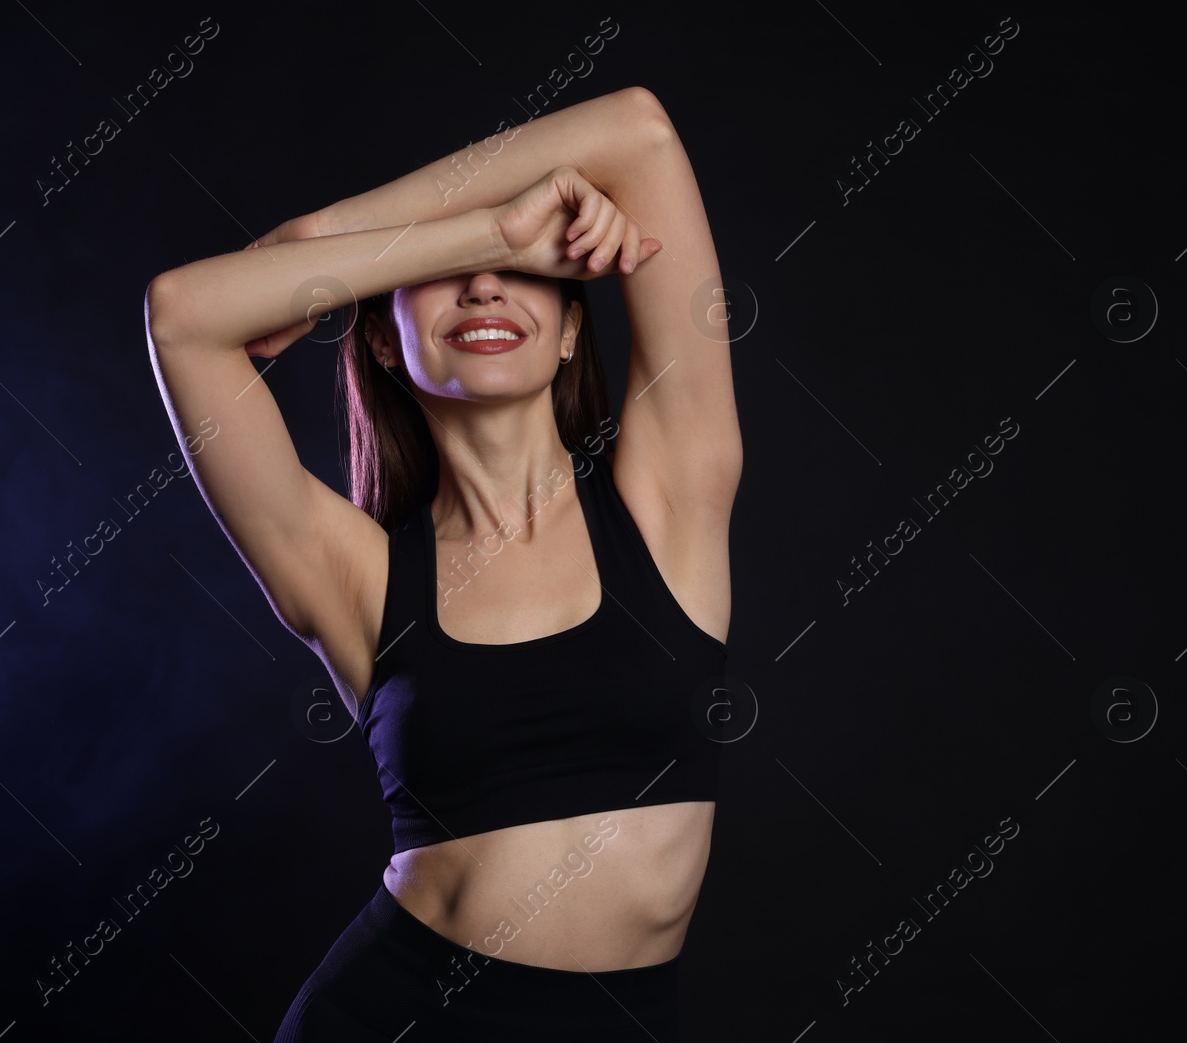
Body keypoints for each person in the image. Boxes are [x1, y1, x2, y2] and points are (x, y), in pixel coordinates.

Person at [144, 86, 741, 1040]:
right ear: (379, 337)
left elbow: (640, 130)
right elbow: (181, 314)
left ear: (575, 325)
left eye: (521, 269)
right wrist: (491, 230)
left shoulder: (670, 495)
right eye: (455, 273)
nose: (486, 286)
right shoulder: (361, 578)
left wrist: (323, 230)